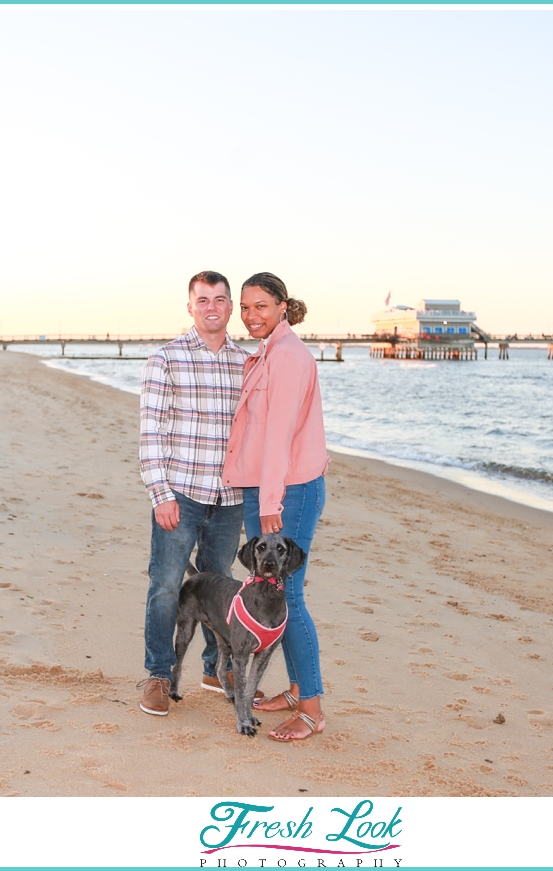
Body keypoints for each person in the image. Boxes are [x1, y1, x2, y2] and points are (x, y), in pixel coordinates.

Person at [223, 272, 330, 741]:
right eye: (245, 308)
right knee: (270, 596)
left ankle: (310, 710)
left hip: (289, 491)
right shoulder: (269, 352)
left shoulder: (287, 357)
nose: (250, 316)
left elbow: (279, 435)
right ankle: (292, 688)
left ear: (283, 306)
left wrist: (270, 503)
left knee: (291, 598)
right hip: (265, 488)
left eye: (261, 306)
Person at [137, 271, 250, 716]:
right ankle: (159, 676)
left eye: (220, 299)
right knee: (166, 586)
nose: (212, 307)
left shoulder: (246, 361)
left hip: (230, 500)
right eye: (203, 300)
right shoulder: (166, 359)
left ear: (229, 307)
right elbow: (151, 434)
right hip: (180, 495)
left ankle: (213, 669)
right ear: (191, 306)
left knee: (219, 589)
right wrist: (159, 492)